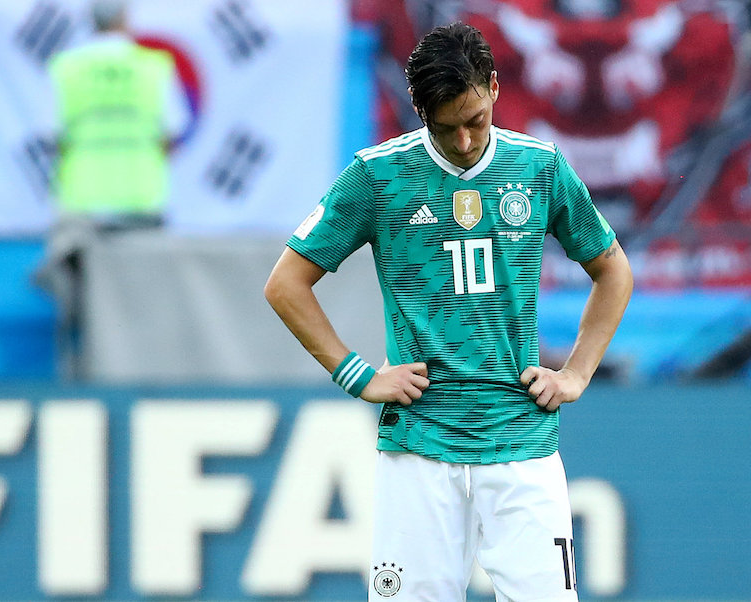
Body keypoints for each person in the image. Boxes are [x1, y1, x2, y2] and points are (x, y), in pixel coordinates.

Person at [264, 22, 633, 601]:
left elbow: (613, 270)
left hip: (521, 444)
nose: (463, 141)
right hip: (419, 448)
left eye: (475, 121)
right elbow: (286, 283)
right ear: (418, 108)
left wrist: (578, 372)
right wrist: (355, 373)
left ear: (494, 87)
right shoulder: (377, 175)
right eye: (445, 126)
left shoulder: (540, 168)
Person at [37, 0, 189, 379]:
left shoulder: (66, 69)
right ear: (124, 19)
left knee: (81, 311)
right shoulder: (153, 68)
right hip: (141, 203)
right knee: (144, 304)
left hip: (82, 209)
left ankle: (82, 383)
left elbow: (55, 138)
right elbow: (171, 134)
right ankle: (144, 380)